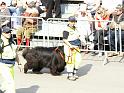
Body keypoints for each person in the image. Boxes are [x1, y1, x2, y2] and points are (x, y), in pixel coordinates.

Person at [63, 16, 81, 81]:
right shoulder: (66, 29)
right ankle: (70, 75)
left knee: (78, 60)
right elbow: (64, 39)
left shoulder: (75, 28)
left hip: (77, 46)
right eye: (71, 22)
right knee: (70, 61)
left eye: (74, 22)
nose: (73, 23)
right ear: (68, 21)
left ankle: (74, 72)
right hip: (70, 47)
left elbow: (78, 35)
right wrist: (70, 45)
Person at [0, 26, 17, 93]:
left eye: (9, 32)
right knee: (10, 83)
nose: (9, 33)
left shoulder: (12, 41)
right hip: (3, 65)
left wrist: (19, 63)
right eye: (7, 32)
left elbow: (15, 52)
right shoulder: (1, 42)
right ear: (3, 33)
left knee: (6, 83)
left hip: (11, 65)